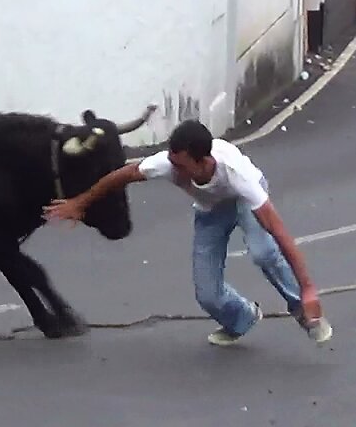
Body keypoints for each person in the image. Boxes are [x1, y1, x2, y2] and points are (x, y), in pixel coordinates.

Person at [43, 120, 333, 347]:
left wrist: (308, 287)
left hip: (243, 201)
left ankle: (304, 312)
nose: (174, 171)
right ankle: (241, 317)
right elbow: (122, 175)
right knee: (207, 295)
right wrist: (79, 203)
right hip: (211, 211)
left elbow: (278, 231)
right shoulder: (168, 163)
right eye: (172, 162)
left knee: (263, 251)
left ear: (203, 160)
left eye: (181, 166)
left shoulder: (236, 173)